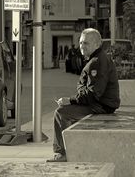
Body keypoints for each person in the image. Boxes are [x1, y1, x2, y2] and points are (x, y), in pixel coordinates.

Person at [47, 28, 120, 162]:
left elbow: (93, 94)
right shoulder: (97, 59)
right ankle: (74, 149)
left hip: (101, 106)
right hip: (102, 104)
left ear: (97, 44)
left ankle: (61, 153)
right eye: (80, 43)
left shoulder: (97, 62)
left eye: (86, 43)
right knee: (69, 113)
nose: (81, 46)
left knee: (61, 113)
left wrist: (70, 100)